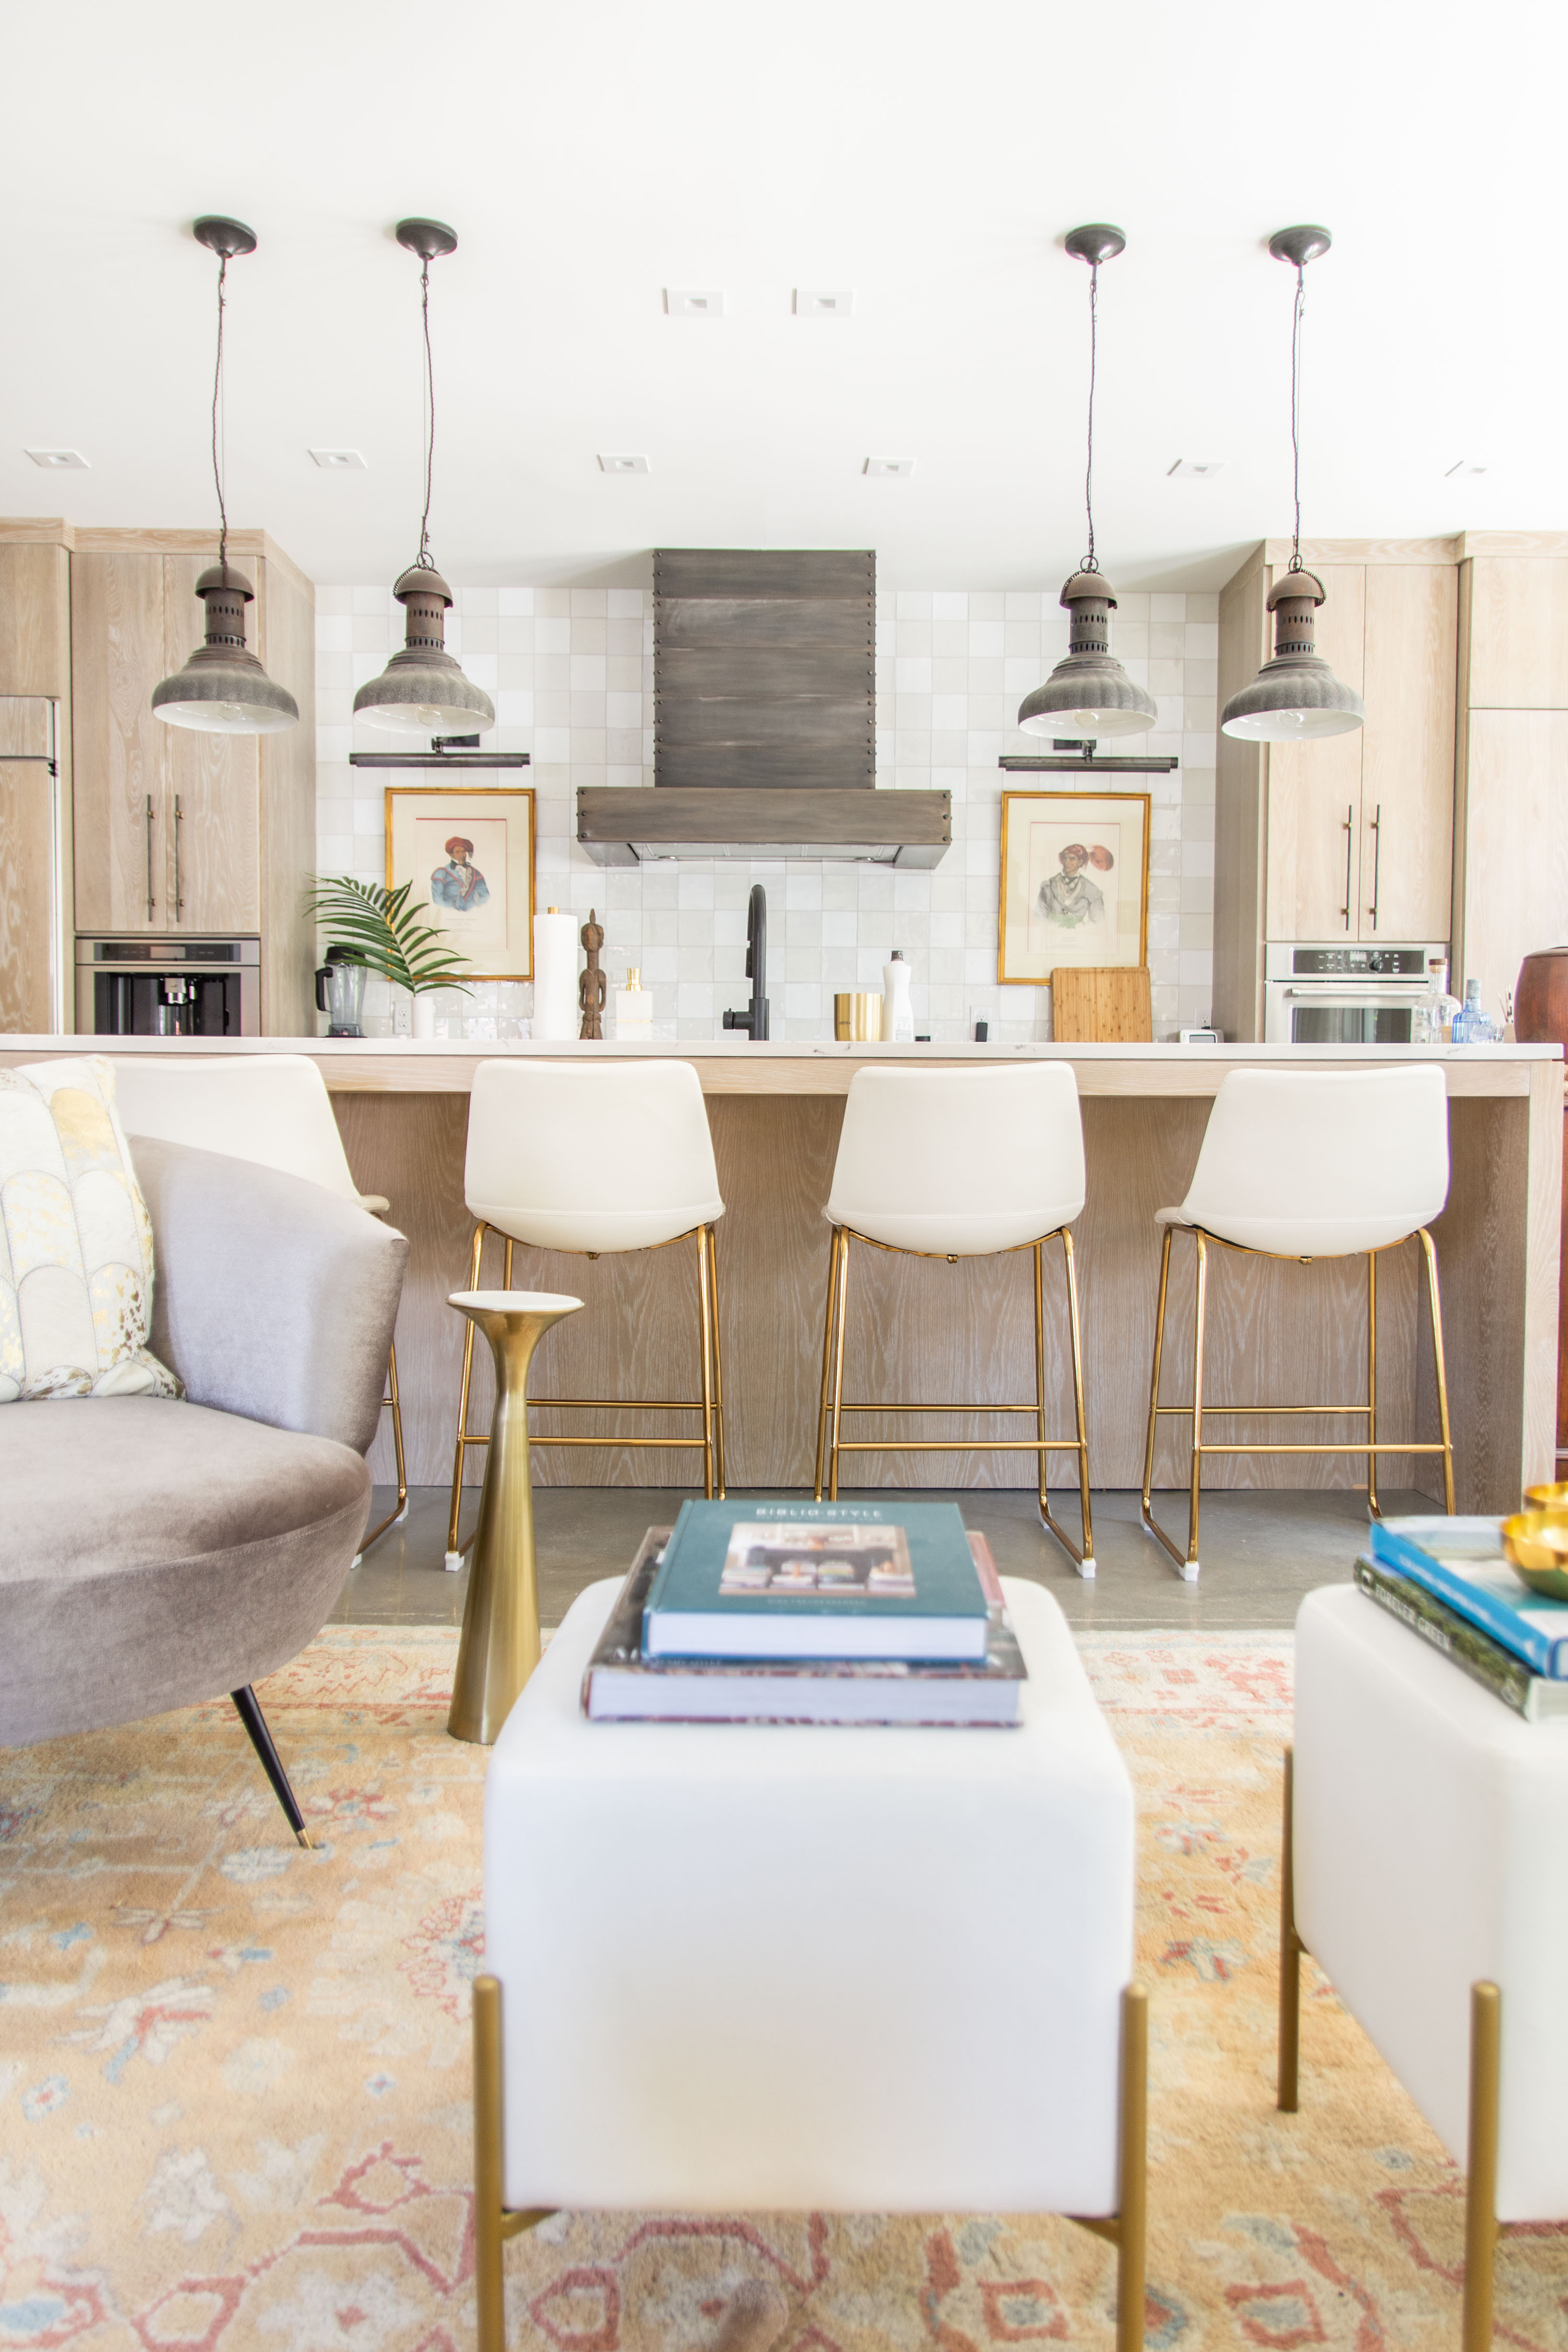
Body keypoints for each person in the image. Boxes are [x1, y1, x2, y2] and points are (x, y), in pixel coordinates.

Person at [1039, 841, 1108, 928]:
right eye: (1065, 858)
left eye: (1072, 859)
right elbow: (1039, 915)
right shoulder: (1048, 886)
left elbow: (1098, 920)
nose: (1067, 862)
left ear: (1080, 862)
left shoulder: (1091, 890)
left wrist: (1082, 931)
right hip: (1053, 933)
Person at [431, 836, 489, 912]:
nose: (462, 855)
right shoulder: (441, 873)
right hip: (449, 912)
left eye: (463, 851)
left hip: (473, 913)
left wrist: (477, 910)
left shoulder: (476, 873)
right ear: (452, 855)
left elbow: (485, 896)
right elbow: (438, 900)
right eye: (458, 852)